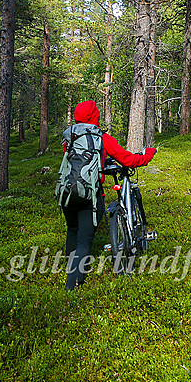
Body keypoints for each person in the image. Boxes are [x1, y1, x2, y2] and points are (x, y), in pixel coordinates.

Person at [62, 100, 156, 291]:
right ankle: (72, 286)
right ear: (94, 115)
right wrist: (148, 155)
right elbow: (128, 159)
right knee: (84, 240)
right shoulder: (102, 138)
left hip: (67, 192)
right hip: (90, 195)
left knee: (73, 230)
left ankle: (70, 269)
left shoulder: (70, 137)